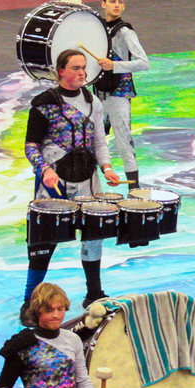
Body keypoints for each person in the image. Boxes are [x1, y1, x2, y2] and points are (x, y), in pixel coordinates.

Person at [22, 50, 121, 315]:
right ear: (61, 71)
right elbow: (31, 145)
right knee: (43, 239)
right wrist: (43, 169)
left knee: (94, 234)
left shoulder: (94, 103)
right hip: (55, 182)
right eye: (75, 68)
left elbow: (99, 142)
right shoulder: (44, 104)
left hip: (88, 179)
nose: (81, 73)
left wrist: (107, 167)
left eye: (83, 68)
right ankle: (29, 300)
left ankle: (94, 292)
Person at [92, 0, 149, 190]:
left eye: (120, 2)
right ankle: (91, 183)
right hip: (97, 93)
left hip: (118, 94)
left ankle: (134, 189)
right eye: (112, 1)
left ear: (123, 7)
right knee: (92, 140)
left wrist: (114, 66)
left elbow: (144, 63)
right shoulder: (96, 29)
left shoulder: (125, 32)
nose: (116, 5)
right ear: (103, 4)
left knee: (124, 142)